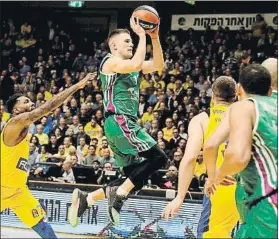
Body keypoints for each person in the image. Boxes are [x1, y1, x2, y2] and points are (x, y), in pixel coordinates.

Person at [68, 16, 167, 227]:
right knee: (158, 158)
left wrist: (155, 38)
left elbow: (158, 64)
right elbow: (136, 63)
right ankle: (119, 195)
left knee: (135, 178)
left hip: (119, 125)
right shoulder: (109, 61)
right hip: (120, 120)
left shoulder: (132, 67)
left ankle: (87, 198)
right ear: (113, 46)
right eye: (127, 41)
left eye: (132, 41)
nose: (131, 43)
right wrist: (142, 35)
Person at [0, 72, 96, 239]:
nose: (31, 103)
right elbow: (46, 108)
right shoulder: (14, 123)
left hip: (18, 191)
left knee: (42, 225)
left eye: (30, 100)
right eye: (26, 102)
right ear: (15, 110)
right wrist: (77, 86)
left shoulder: (25, 132)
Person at [204, 64, 277, 238]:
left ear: (239, 89)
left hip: (269, 209)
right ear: (270, 91)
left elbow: (232, 154)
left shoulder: (243, 107)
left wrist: (216, 176)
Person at [162, 76, 240, 238]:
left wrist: (179, 197)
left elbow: (190, 158)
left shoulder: (202, 119)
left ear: (213, 96)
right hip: (246, 187)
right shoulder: (247, 118)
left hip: (217, 186)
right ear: (236, 96)